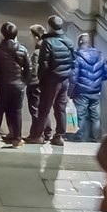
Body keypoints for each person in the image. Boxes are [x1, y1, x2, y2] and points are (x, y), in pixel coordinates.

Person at [27, 14, 76, 146]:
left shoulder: (47, 43)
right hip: (65, 79)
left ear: (49, 26)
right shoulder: (69, 41)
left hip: (51, 80)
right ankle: (59, 135)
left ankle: (37, 136)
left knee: (44, 108)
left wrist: (42, 80)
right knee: (60, 108)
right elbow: (73, 61)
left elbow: (43, 64)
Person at [0, 21, 31, 147]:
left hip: (3, 84)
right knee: (16, 111)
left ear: (2, 34)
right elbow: (29, 69)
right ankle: (17, 138)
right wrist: (23, 83)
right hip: (18, 86)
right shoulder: (22, 49)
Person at [71, 33, 107, 142]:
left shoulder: (77, 57)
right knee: (95, 117)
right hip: (96, 91)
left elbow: (74, 77)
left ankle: (78, 138)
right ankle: (94, 139)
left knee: (80, 115)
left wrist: (69, 92)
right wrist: (97, 80)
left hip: (81, 91)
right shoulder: (100, 55)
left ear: (79, 42)